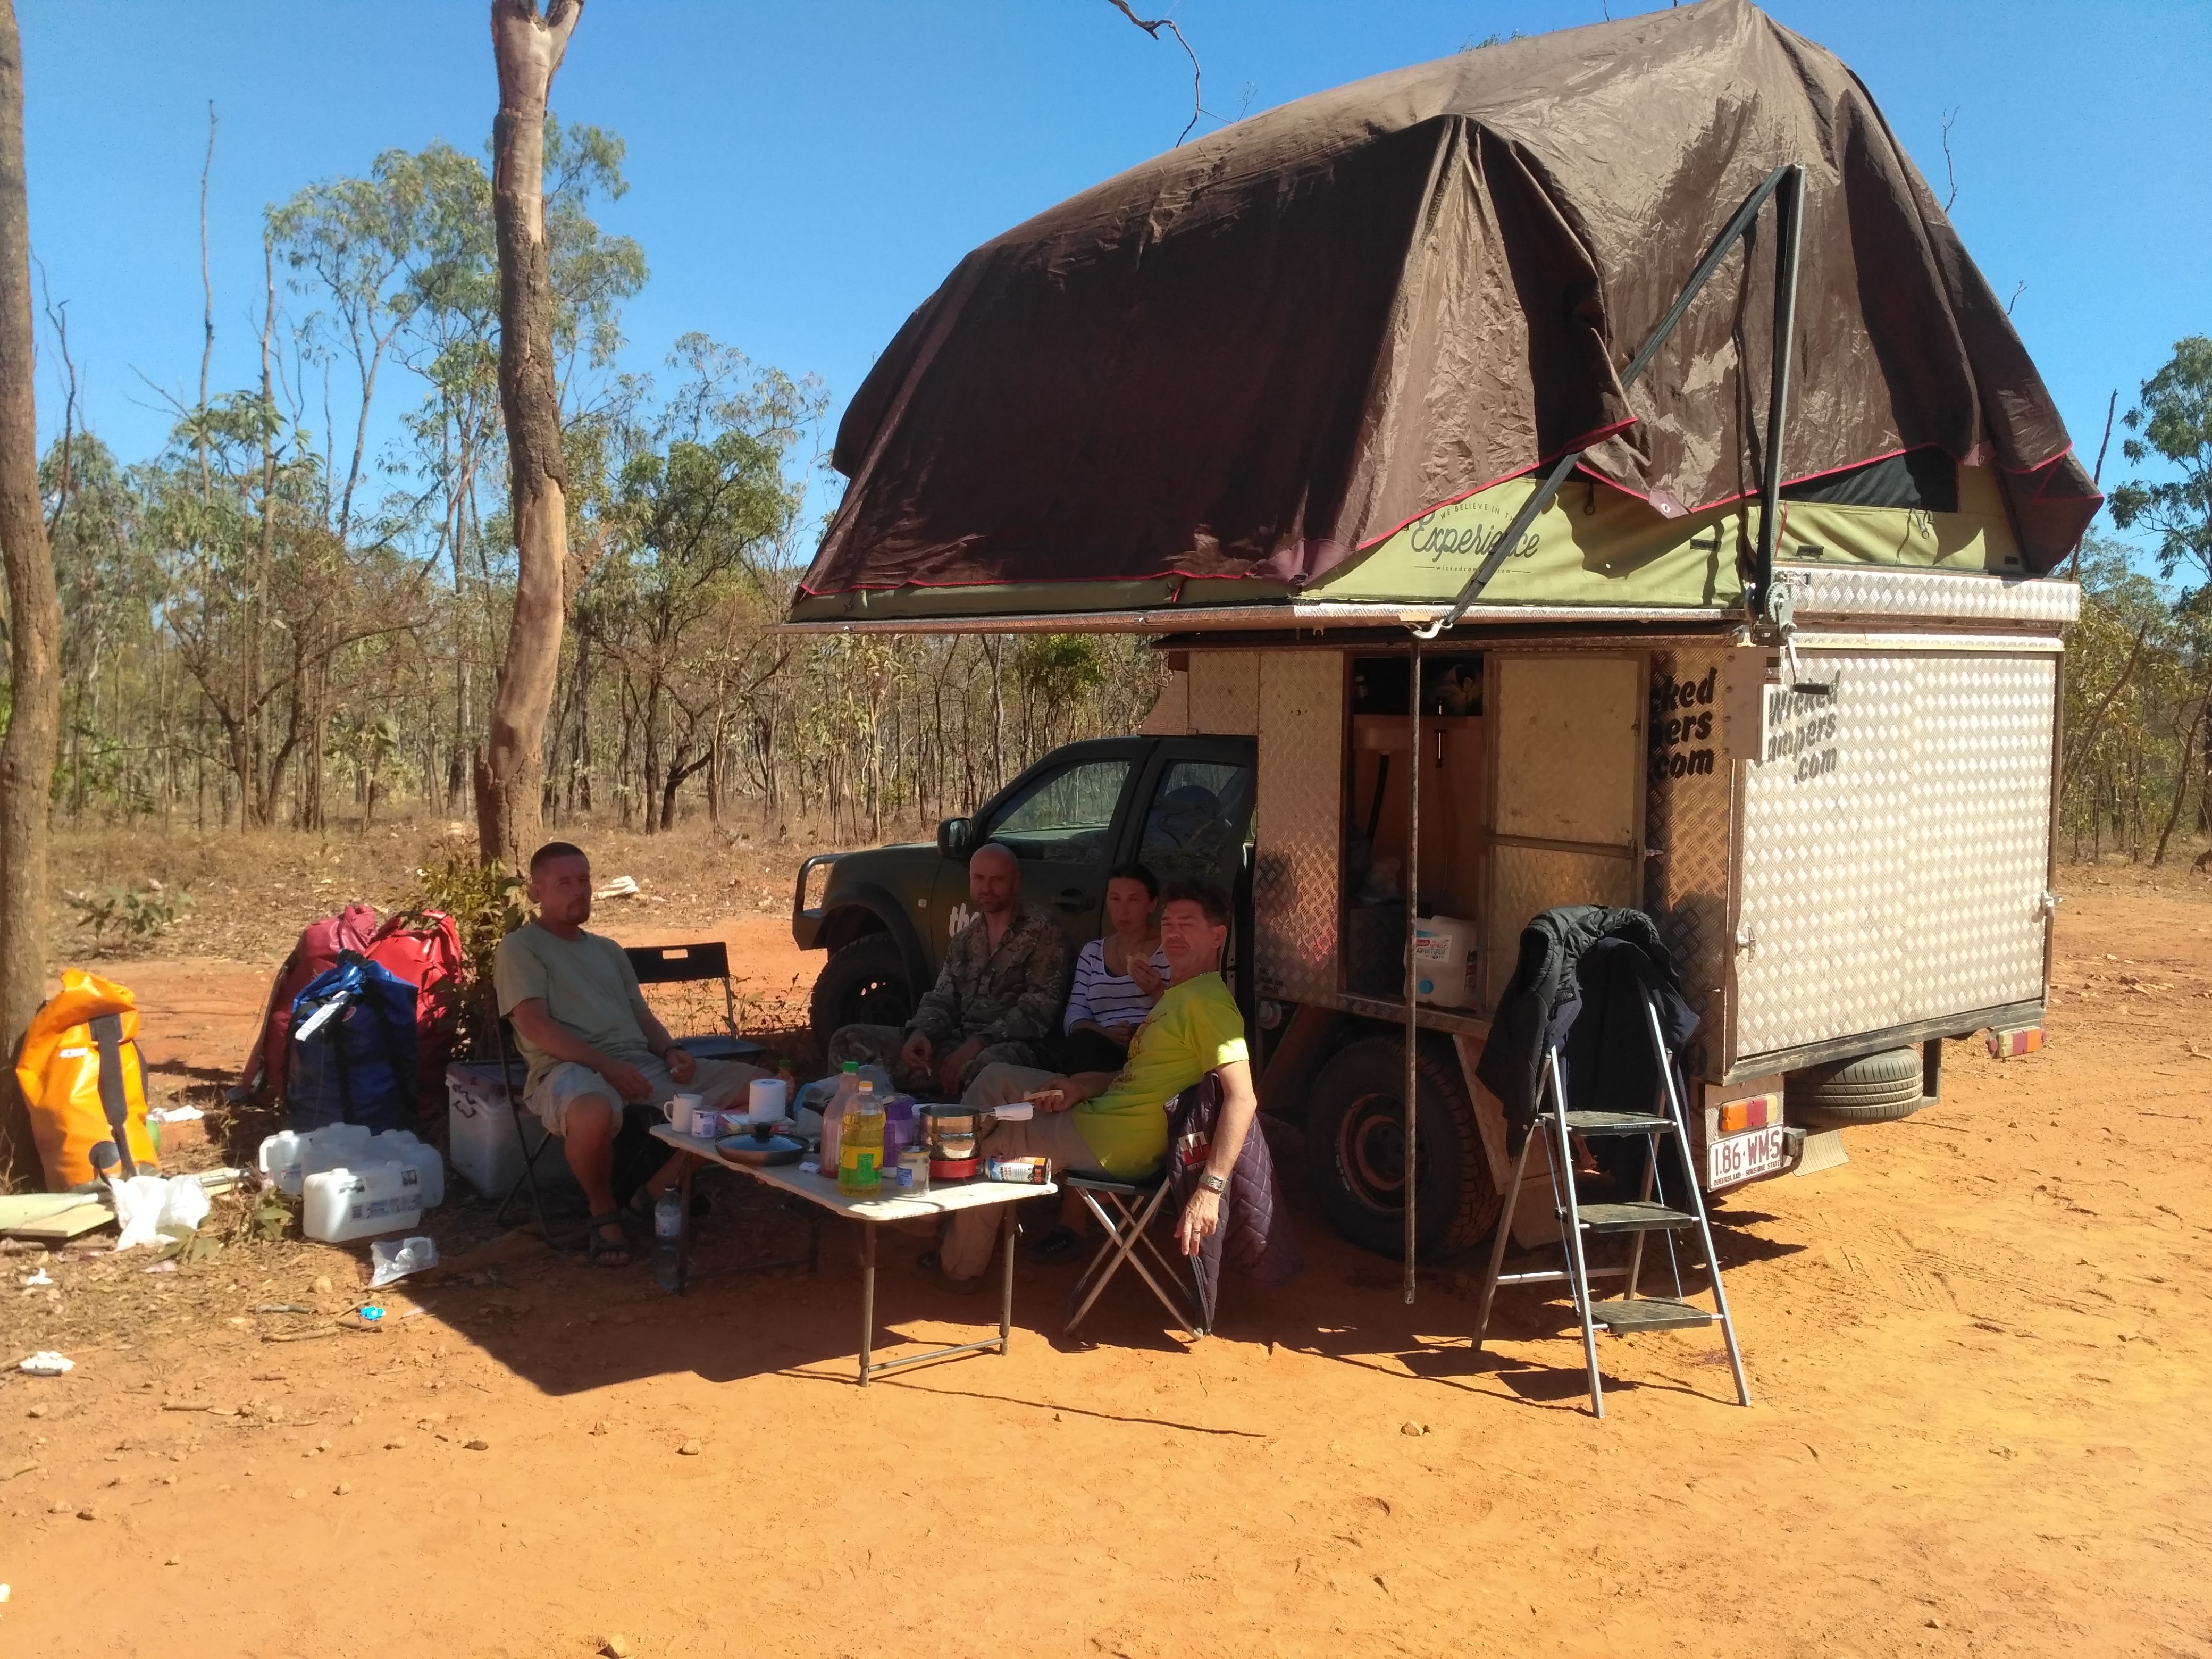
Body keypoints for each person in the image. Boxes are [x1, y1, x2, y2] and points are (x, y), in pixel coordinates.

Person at [931, 878, 1259, 1292]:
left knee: (997, 1142)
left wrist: (1210, 1190)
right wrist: (1081, 1086)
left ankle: (957, 1262)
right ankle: (946, 1201)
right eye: (1169, 924)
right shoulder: (1180, 994)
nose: (1174, 934)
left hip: (1115, 1141)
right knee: (996, 1077)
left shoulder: (1209, 1003)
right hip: (1103, 1115)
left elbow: (1243, 1098)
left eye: (1187, 924)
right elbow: (1139, 1075)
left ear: (1218, 936)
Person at [494, 841, 766, 1267]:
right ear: (536, 892)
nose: (579, 890)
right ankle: (603, 1213)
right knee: (592, 1113)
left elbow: (642, 1016)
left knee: (764, 1092)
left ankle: (658, 1191)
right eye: (564, 883)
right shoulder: (521, 948)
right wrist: (607, 1067)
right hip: (566, 1068)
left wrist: (671, 1050)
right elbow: (534, 1025)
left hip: (638, 1063)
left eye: (584, 880)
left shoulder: (608, 950)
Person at [827, 841, 1066, 1098]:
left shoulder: (1043, 930)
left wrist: (978, 1043)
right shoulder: (965, 940)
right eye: (979, 878)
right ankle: (860, 1115)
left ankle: (956, 1116)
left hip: (1014, 1047)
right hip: (958, 1044)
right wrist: (921, 1033)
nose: (987, 888)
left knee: (984, 1069)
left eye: (997, 879)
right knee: (848, 1040)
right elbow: (943, 998)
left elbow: (1038, 1009)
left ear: (1016, 881)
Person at [1060, 862, 1168, 1076]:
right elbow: (1075, 1012)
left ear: (1152, 904)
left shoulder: (1169, 950)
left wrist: (1158, 991)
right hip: (1101, 1043)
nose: (1123, 911)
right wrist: (1106, 1033)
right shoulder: (1092, 952)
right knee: (1081, 1044)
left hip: (1153, 1043)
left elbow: (1188, 1012)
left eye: (1134, 900)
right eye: (1115, 899)